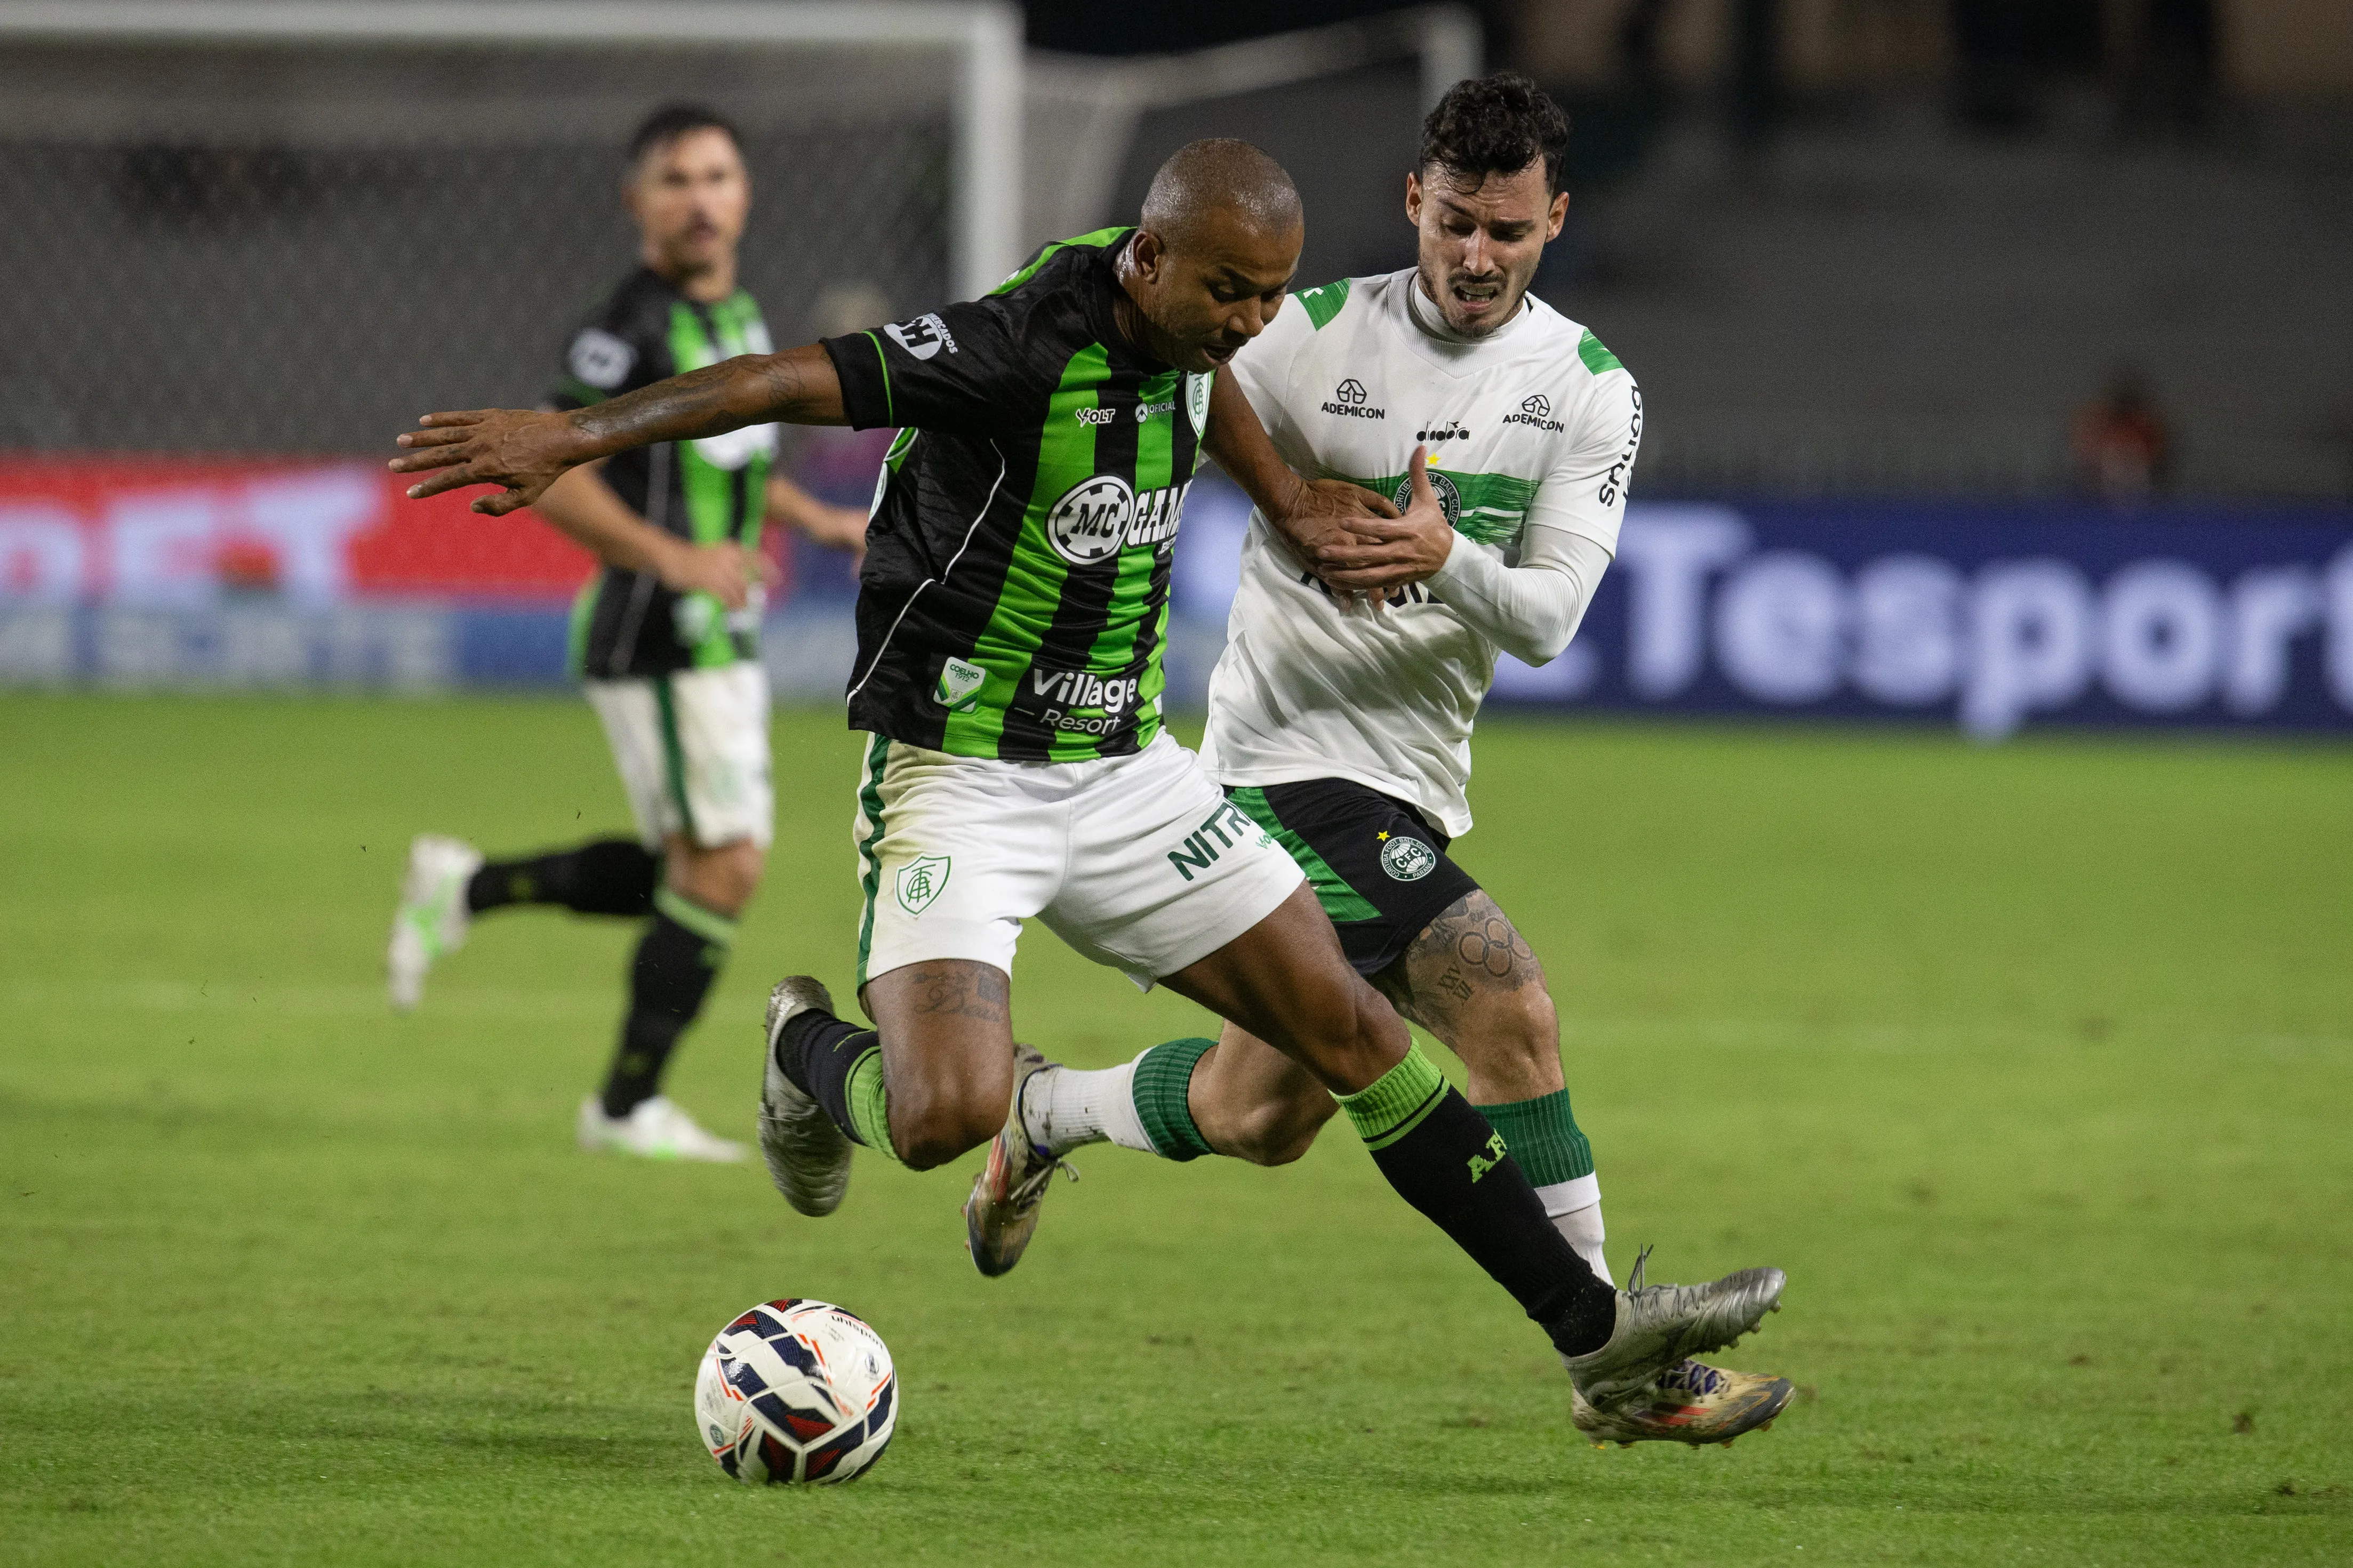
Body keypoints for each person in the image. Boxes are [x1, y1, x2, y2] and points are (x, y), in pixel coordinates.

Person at [388, 137, 1787, 1425]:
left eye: (1272, 295)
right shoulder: (1009, 347)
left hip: (1128, 778)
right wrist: (578, 436)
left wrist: (1288, 497)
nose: (1250, 322)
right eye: (1229, 292)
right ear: (1149, 263)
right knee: (941, 1117)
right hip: (960, 777)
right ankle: (802, 1052)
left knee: (1358, 1040)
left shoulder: (1188, 306)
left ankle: (1589, 1329)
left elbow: (1211, 381)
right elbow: (788, 376)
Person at [977, 77, 1792, 1447]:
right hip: (1273, 769)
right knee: (1509, 1007)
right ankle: (1621, 1363)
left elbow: (1544, 621)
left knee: (1261, 1110)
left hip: (1410, 777)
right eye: (1457, 222)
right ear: (1414, 199)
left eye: (1511, 234)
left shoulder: (1589, 391)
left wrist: (1442, 553)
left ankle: (1042, 1110)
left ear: (1556, 225)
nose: (1477, 258)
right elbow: (1162, 401)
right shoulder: (1295, 333)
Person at [385, 104, 868, 1162]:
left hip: (710, 629)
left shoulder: (736, 313)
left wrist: (817, 518)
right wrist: (675, 559)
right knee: (725, 866)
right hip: (659, 630)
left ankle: (465, 887)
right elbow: (548, 476)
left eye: (715, 177)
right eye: (675, 181)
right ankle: (623, 1107)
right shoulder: (624, 329)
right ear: (637, 202)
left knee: (689, 868)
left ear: (742, 194)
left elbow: (723, 462)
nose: (699, 199)